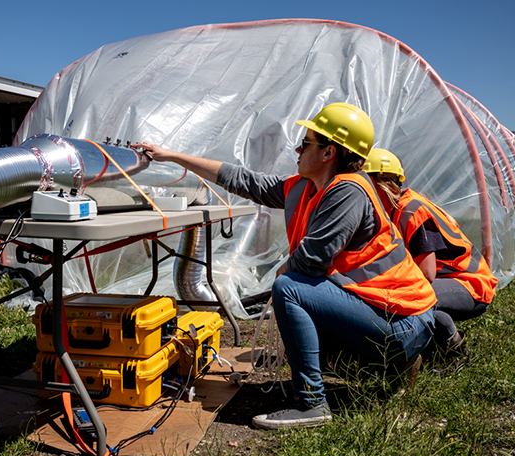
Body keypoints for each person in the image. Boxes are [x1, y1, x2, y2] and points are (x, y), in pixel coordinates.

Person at [132, 103, 436, 430]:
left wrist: (284, 269)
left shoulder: (348, 190)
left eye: (306, 143)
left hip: (403, 321)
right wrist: (174, 157)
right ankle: (392, 369)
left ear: (327, 153)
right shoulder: (305, 188)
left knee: (289, 288)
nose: (297, 149)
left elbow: (311, 261)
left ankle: (311, 404)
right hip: (385, 311)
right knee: (298, 303)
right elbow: (242, 180)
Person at [364, 148, 498, 355]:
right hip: (452, 281)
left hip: (470, 284)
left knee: (411, 297)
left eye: (364, 186)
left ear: (380, 186)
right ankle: (433, 347)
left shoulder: (410, 210)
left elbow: (426, 273)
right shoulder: (394, 208)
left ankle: (455, 349)